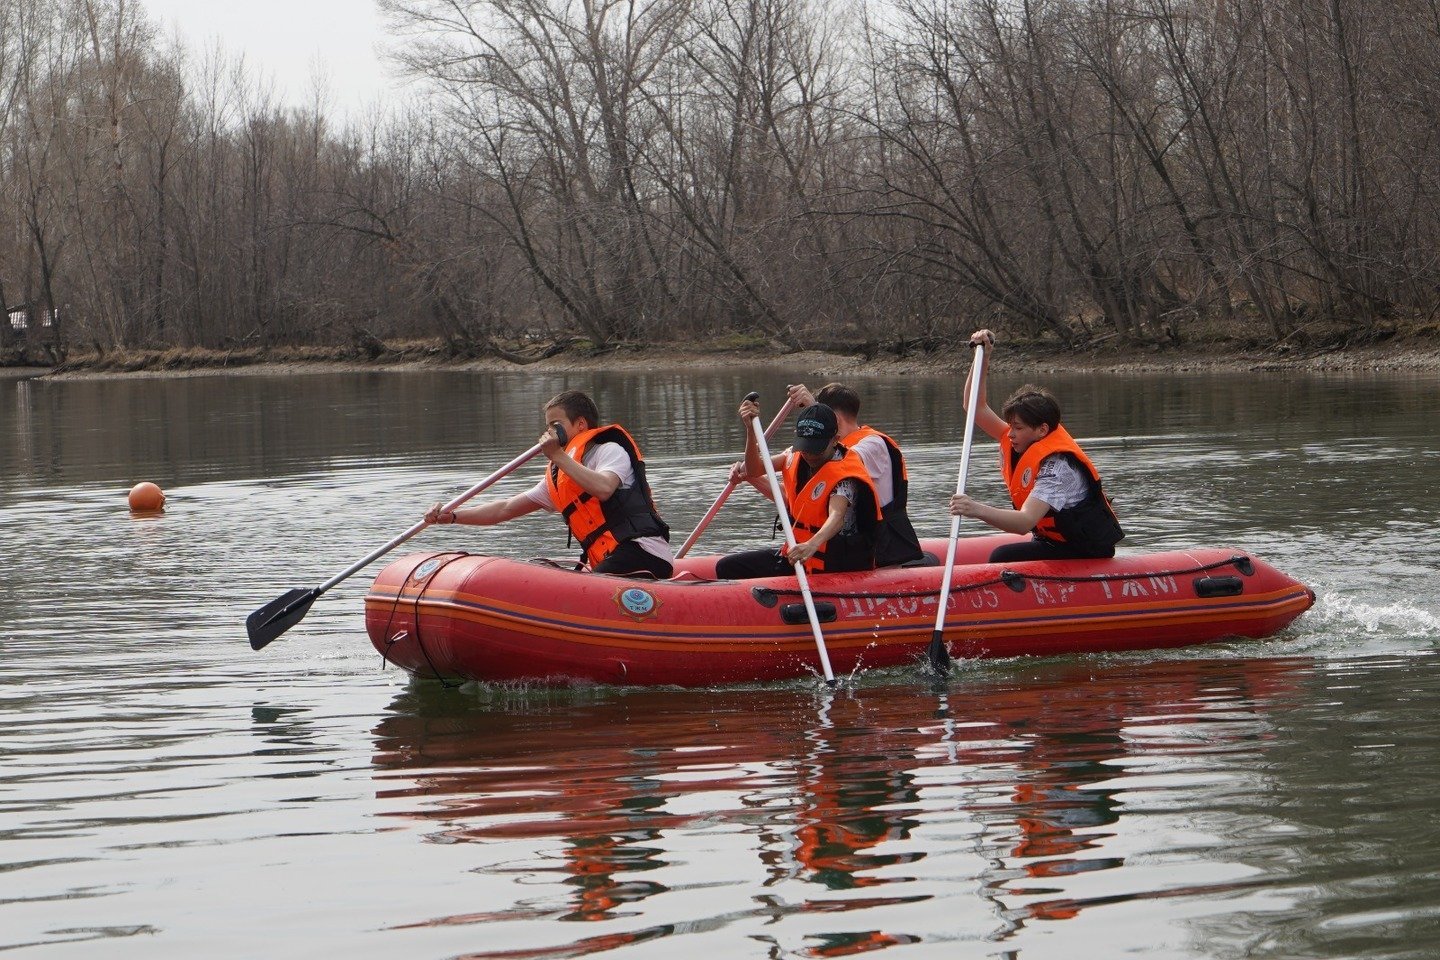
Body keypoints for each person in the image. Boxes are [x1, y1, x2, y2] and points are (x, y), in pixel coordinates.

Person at [425, 390, 673, 578]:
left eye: (557, 425)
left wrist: (558, 456)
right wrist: (453, 516)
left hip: (642, 551)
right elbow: (505, 509)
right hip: (612, 559)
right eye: (548, 427)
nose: (551, 433)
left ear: (581, 425)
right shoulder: (559, 477)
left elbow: (604, 488)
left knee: (583, 593)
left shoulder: (608, 451)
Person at [949, 329, 1124, 563]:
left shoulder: (1058, 468)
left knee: (1002, 556)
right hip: (1051, 541)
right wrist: (983, 358)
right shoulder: (1021, 440)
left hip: (1083, 549)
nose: (1010, 434)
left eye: (1018, 428)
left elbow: (1025, 522)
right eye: (1011, 426)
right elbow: (975, 407)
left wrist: (975, 509)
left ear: (1041, 430)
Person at [715, 400, 882, 580]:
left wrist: (812, 545)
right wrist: (751, 431)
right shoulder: (794, 456)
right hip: (799, 556)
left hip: (834, 562)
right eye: (805, 447)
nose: (808, 454)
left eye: (815, 449)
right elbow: (754, 469)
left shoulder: (845, 477)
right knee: (726, 567)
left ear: (835, 440)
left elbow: (837, 517)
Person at [785, 382, 925, 567]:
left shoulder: (872, 444)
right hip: (847, 547)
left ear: (833, 420)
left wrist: (814, 409)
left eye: (821, 420)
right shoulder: (827, 452)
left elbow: (846, 460)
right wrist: (753, 476)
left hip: (886, 548)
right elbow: (794, 497)